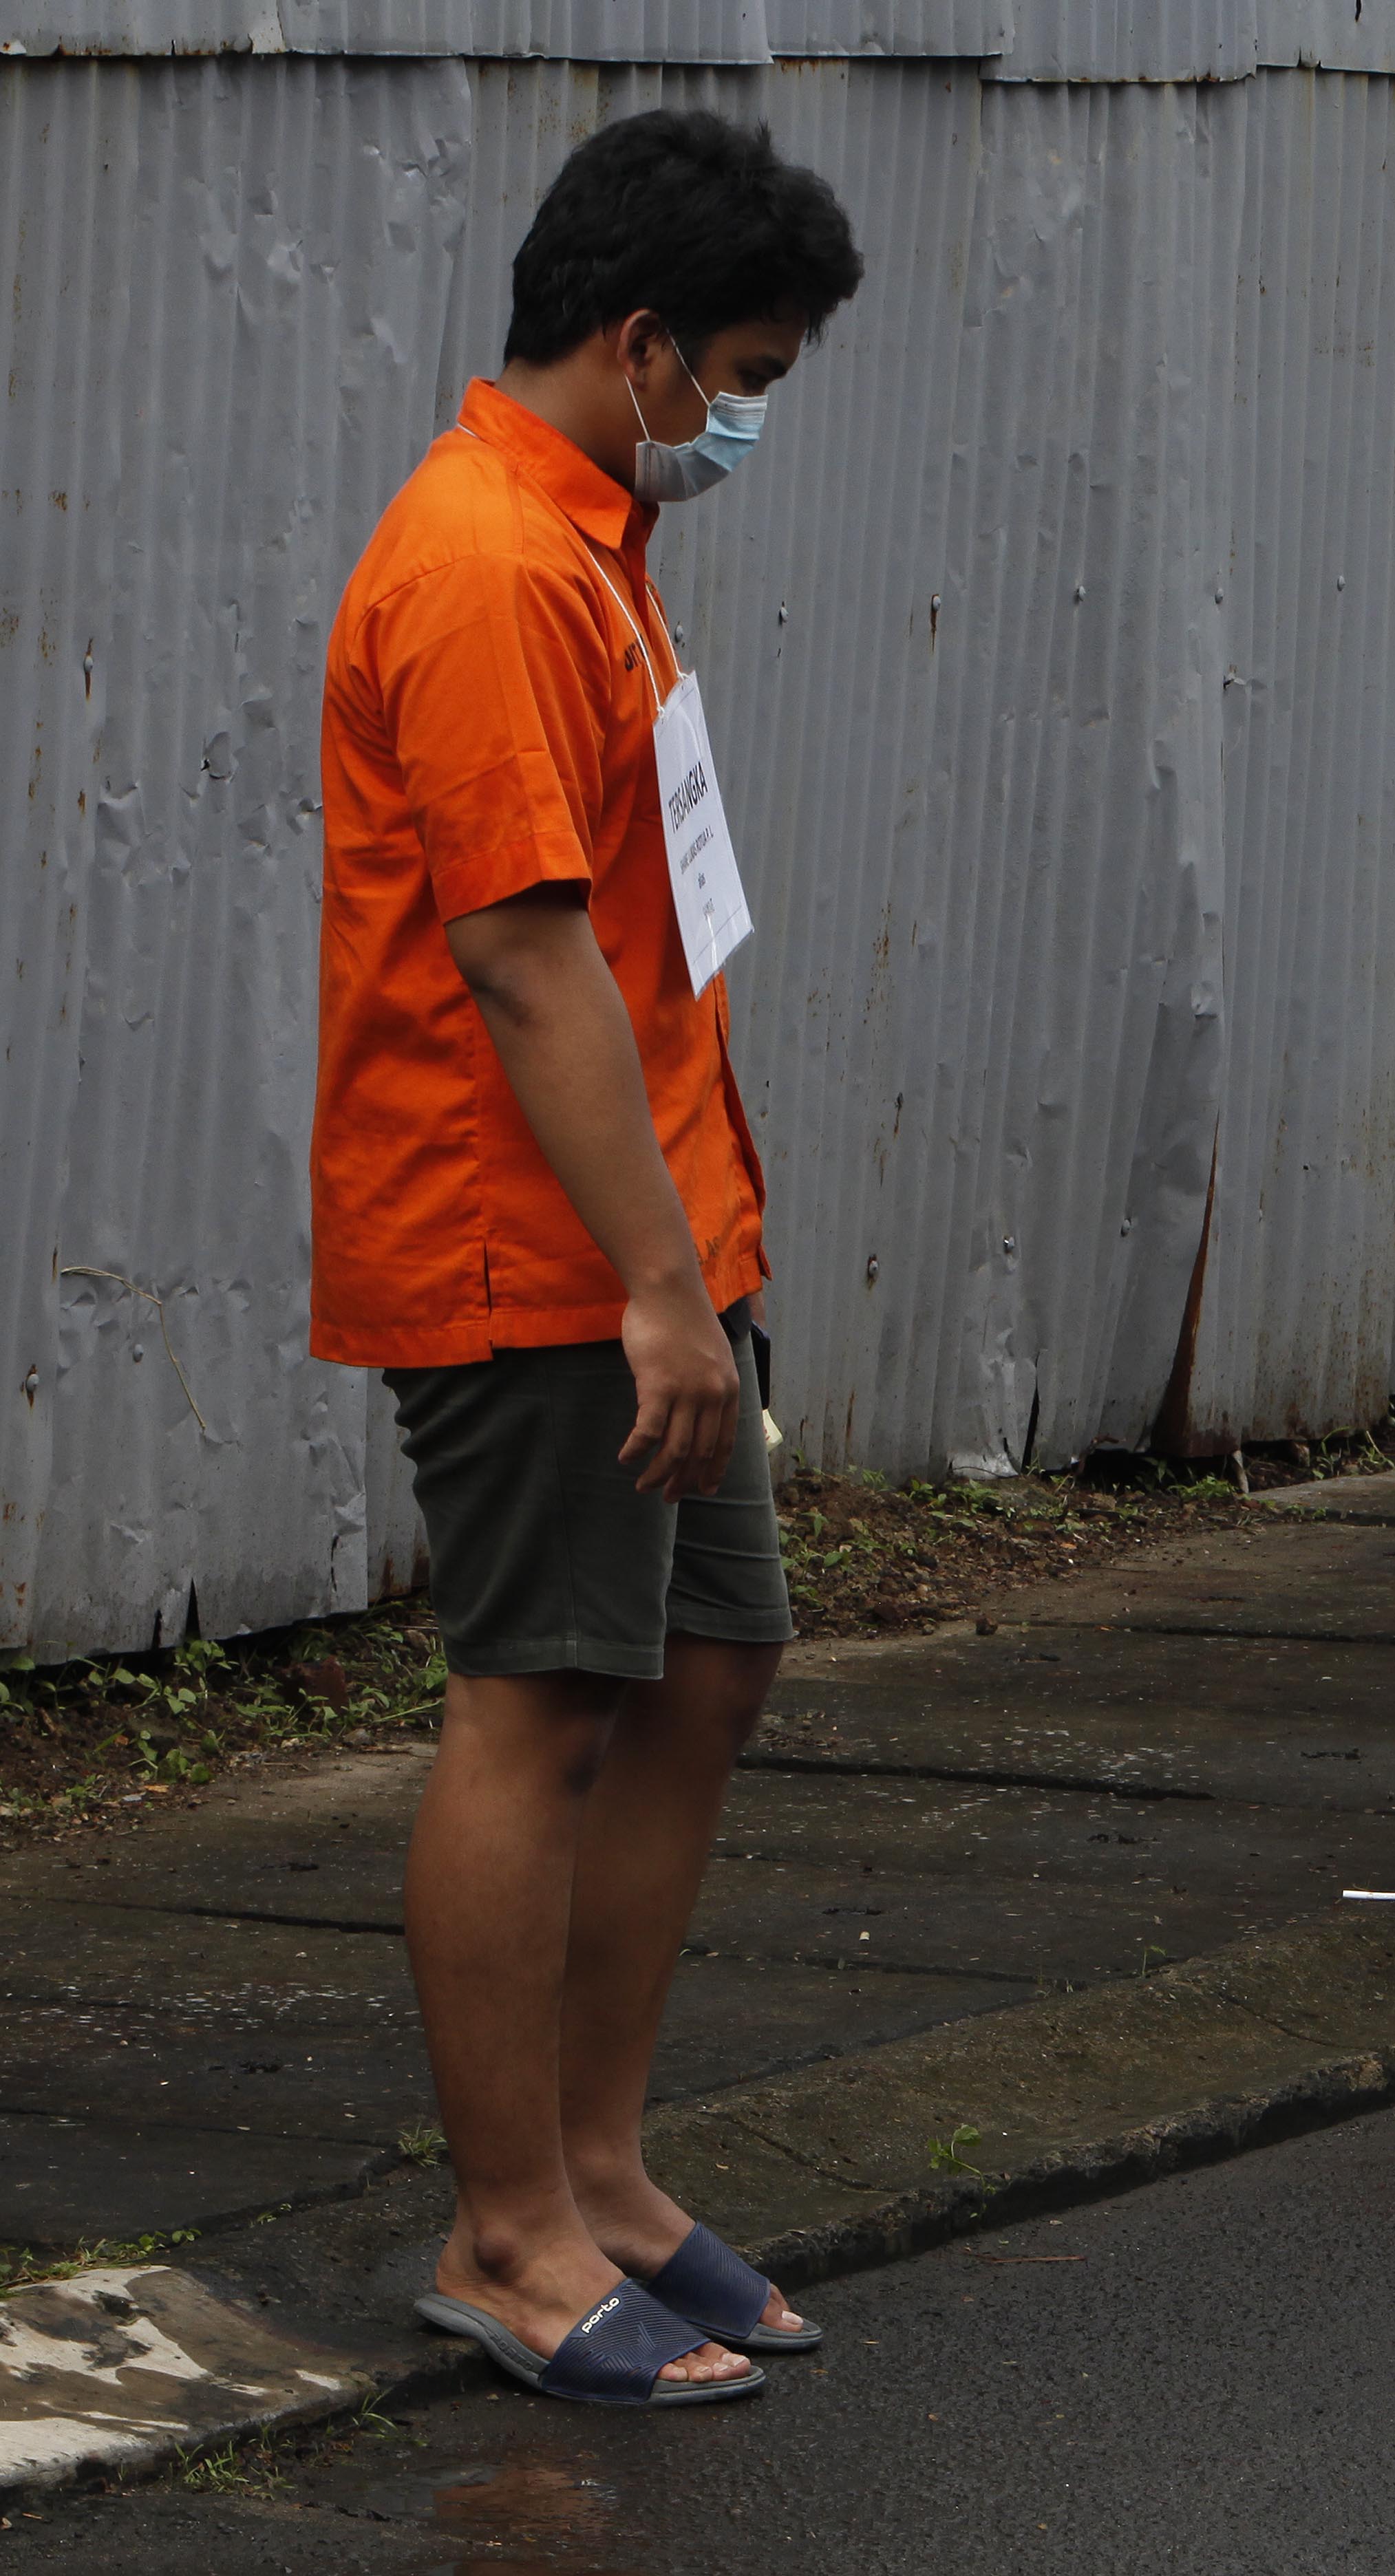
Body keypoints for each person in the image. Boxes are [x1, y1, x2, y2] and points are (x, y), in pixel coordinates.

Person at [312, 109, 862, 2407]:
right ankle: (507, 2226)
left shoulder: (593, 528)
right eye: (739, 367)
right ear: (638, 343)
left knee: (711, 1664)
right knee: (541, 1702)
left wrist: (692, 1253)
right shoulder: (482, 566)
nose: (746, 415)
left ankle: (607, 2164)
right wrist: (654, 1286)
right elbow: (527, 959)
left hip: (651, 1225)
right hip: (533, 1244)